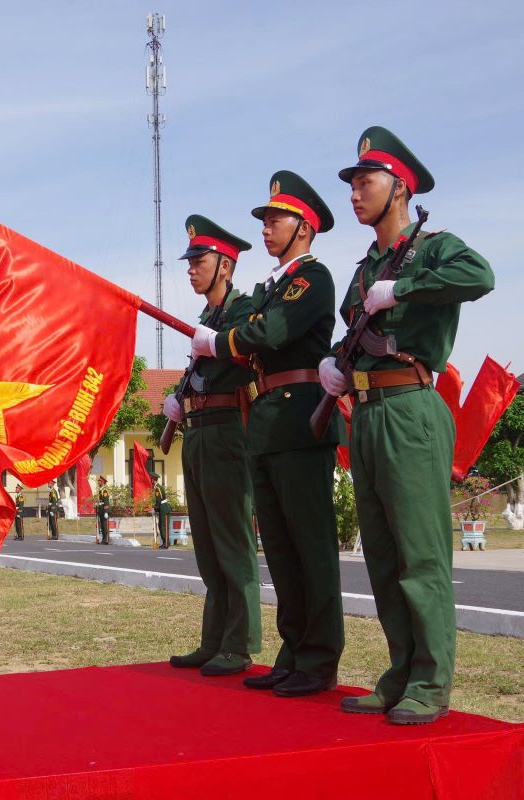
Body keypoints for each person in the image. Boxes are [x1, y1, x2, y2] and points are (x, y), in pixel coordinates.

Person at [320, 127, 494, 724]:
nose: (354, 193)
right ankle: (401, 670)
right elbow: (354, 326)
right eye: (353, 183)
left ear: (400, 187)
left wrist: (405, 289)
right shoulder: (366, 264)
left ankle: (432, 679)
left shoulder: (435, 248)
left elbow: (480, 276)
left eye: (365, 181)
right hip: (365, 413)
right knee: (384, 554)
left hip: (411, 407)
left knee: (420, 555)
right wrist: (336, 370)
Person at [192, 172, 343, 698]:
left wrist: (221, 341)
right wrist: (234, 338)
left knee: (312, 548)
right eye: (266, 218)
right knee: (280, 549)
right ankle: (293, 650)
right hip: (269, 421)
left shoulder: (312, 278)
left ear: (305, 227)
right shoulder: (273, 287)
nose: (267, 226)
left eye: (277, 218)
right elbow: (255, 330)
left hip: (300, 415)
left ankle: (320, 659)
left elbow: (269, 332)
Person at [162, 214, 261, 677]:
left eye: (199, 259)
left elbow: (247, 353)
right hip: (200, 429)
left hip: (226, 428)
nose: (190, 268)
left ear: (225, 264)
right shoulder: (208, 317)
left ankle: (239, 643)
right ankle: (214, 638)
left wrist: (216, 344)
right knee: (205, 542)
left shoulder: (241, 311)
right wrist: (182, 401)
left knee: (231, 541)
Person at [151, 473, 171, 549]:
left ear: (153, 480)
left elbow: (159, 501)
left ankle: (166, 544)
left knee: (163, 526)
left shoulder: (157, 488)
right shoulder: (157, 487)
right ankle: (165, 543)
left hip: (164, 508)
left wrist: (155, 508)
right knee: (161, 525)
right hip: (162, 508)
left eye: (151, 479)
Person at [94, 476, 111, 544]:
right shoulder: (100, 490)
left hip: (104, 510)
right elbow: (100, 500)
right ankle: (103, 538)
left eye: (100, 481)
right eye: (98, 481)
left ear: (103, 482)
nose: (98, 482)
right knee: (102, 526)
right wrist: (97, 504)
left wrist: (106, 512)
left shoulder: (105, 491)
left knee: (105, 525)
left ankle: (106, 539)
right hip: (101, 509)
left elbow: (106, 501)